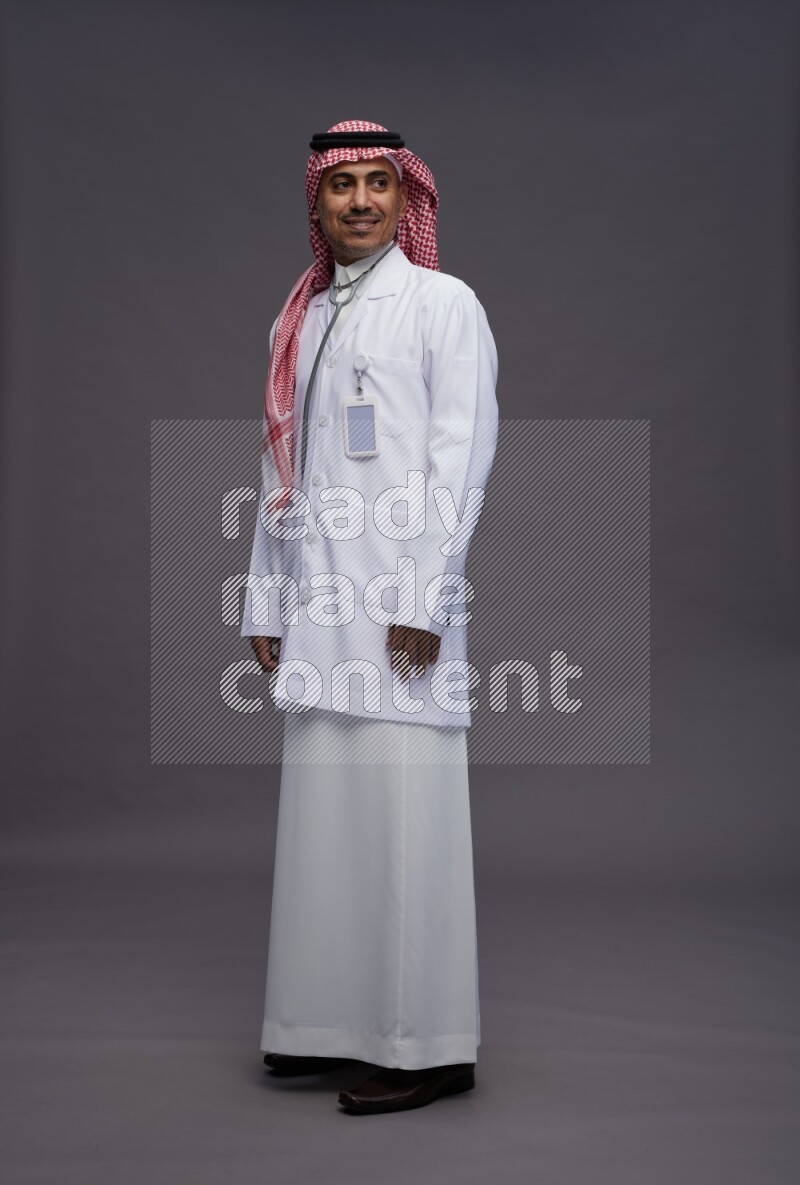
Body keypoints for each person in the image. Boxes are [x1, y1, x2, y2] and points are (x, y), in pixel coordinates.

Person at [241, 119, 498, 1114]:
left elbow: (460, 459)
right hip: (319, 606)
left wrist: (426, 597)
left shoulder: (441, 305)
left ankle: (423, 1045)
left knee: (403, 822)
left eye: (376, 184)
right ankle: (319, 1025)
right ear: (315, 201)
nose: (357, 201)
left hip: (397, 610)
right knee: (325, 822)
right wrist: (265, 595)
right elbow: (279, 470)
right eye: (339, 184)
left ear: (407, 201)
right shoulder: (299, 318)